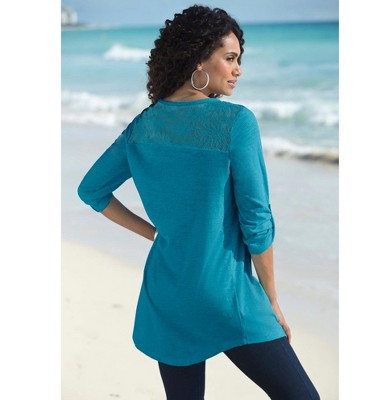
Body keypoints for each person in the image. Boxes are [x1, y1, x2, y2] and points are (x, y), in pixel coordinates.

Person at [77, 5, 320, 399]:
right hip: (226, 295)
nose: (238, 70)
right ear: (198, 59)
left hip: (167, 294)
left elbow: (92, 190)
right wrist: (271, 300)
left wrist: (154, 234)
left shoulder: (142, 126)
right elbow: (256, 222)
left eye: (239, 60)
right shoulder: (236, 123)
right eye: (230, 58)